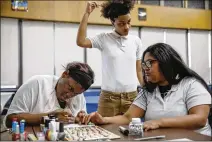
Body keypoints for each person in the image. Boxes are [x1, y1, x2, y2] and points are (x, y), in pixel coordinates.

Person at [80, 43, 212, 136]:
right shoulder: (148, 91)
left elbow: (199, 119)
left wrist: (159, 123)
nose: (145, 68)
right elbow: (128, 117)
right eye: (143, 64)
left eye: (150, 63)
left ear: (165, 61)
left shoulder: (191, 84)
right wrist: (104, 120)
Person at [76, 0, 144, 117]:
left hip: (132, 97)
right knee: (106, 132)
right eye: (121, 24)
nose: (126, 27)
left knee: (133, 133)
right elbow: (81, 41)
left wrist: (146, 90)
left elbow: (138, 70)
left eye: (128, 22)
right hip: (108, 98)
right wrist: (87, 13)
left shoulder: (136, 41)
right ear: (113, 22)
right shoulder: (104, 39)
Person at [4, 62, 95, 127]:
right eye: (70, 88)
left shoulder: (79, 96)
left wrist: (78, 119)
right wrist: (50, 117)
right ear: (64, 74)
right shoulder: (37, 84)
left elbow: (78, 121)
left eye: (75, 94)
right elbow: (10, 119)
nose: (69, 95)